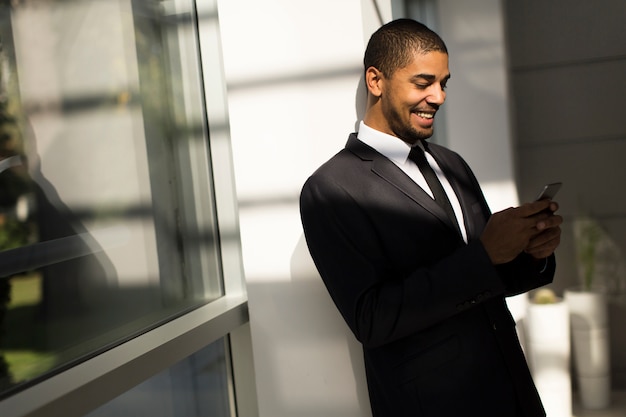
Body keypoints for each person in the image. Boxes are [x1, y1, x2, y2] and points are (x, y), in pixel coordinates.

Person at [299, 18, 562, 417]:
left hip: (511, 389)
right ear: (376, 80)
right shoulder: (330, 189)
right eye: (423, 83)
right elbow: (371, 319)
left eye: (444, 83)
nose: (438, 97)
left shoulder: (452, 164)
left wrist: (532, 253)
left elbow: (489, 279)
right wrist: (485, 256)